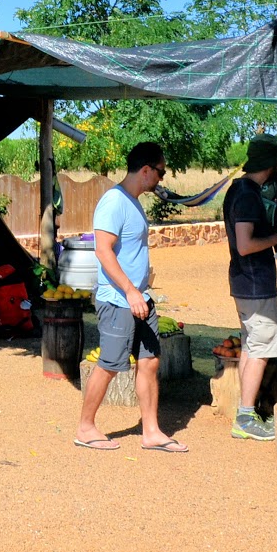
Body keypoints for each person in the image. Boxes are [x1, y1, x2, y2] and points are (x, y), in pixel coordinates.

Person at [73, 141, 188, 453]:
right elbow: (103, 250)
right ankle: (85, 427)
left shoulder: (133, 202)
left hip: (140, 298)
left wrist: (141, 288)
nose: (162, 179)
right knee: (110, 364)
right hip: (118, 299)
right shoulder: (114, 201)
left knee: (150, 362)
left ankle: (151, 432)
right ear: (146, 170)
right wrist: (129, 289)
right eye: (161, 172)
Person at [223, 135, 277, 440]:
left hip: (245, 282)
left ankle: (246, 412)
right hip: (254, 284)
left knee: (252, 347)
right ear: (272, 163)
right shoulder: (248, 196)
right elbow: (245, 245)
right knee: (261, 349)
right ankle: (245, 418)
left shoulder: (240, 190)